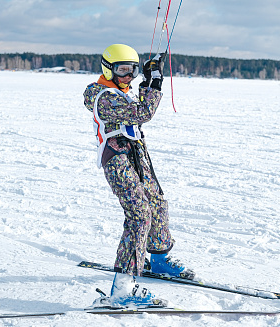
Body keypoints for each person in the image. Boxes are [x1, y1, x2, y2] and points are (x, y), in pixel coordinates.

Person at [83, 44, 193, 308]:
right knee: (139, 213)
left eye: (132, 70)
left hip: (137, 154)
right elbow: (143, 113)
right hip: (117, 158)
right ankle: (122, 289)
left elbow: (138, 109)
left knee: (156, 202)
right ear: (107, 69)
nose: (128, 76)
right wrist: (153, 83)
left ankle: (159, 258)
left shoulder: (123, 91)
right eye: (122, 70)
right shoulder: (102, 95)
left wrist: (148, 77)